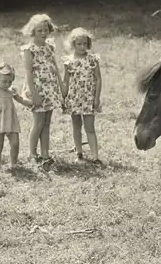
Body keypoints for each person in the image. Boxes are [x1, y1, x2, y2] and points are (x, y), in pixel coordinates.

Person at [19, 13, 64, 166]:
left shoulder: (50, 46)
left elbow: (55, 67)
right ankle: (32, 154)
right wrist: (34, 94)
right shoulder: (28, 49)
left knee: (46, 123)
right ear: (32, 32)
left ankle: (45, 154)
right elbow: (28, 73)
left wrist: (61, 85)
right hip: (37, 90)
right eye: (39, 31)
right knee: (38, 123)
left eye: (46, 30)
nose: (43, 33)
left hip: (50, 89)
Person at [61, 27, 103, 164]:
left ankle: (95, 157)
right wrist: (63, 97)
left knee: (90, 127)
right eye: (79, 44)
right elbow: (66, 81)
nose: (82, 47)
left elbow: (98, 79)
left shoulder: (92, 59)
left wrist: (96, 97)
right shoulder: (68, 61)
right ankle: (79, 153)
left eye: (85, 44)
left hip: (88, 97)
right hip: (74, 98)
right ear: (73, 44)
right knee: (76, 126)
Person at [0, 63, 33, 169]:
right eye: (4, 81)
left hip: (11, 120)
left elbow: (21, 100)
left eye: (10, 81)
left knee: (15, 143)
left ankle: (13, 164)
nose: (7, 84)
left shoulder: (11, 91)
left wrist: (32, 102)